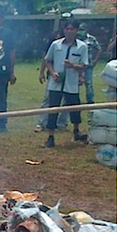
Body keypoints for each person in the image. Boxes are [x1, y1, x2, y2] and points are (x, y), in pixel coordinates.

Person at [43, 20, 89, 148]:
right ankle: (50, 136)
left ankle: (76, 131)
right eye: (67, 29)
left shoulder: (82, 47)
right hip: (56, 83)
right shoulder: (56, 45)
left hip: (71, 83)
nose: (69, 31)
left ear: (76, 30)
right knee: (53, 109)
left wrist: (73, 66)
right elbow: (48, 60)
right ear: (64, 30)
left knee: (74, 108)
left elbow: (84, 66)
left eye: (72, 29)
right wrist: (52, 73)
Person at [35, 30, 68, 132]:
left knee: (66, 100)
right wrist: (41, 72)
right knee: (48, 98)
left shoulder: (72, 43)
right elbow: (46, 59)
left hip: (68, 76)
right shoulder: (53, 42)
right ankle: (41, 122)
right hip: (53, 75)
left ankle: (61, 123)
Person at [77, 23, 102, 104]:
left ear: (86, 30)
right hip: (77, 65)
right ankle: (74, 100)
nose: (81, 31)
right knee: (75, 83)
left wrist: (95, 60)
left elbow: (99, 49)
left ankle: (90, 101)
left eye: (82, 29)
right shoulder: (76, 39)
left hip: (88, 65)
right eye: (80, 29)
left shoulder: (91, 39)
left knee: (88, 83)